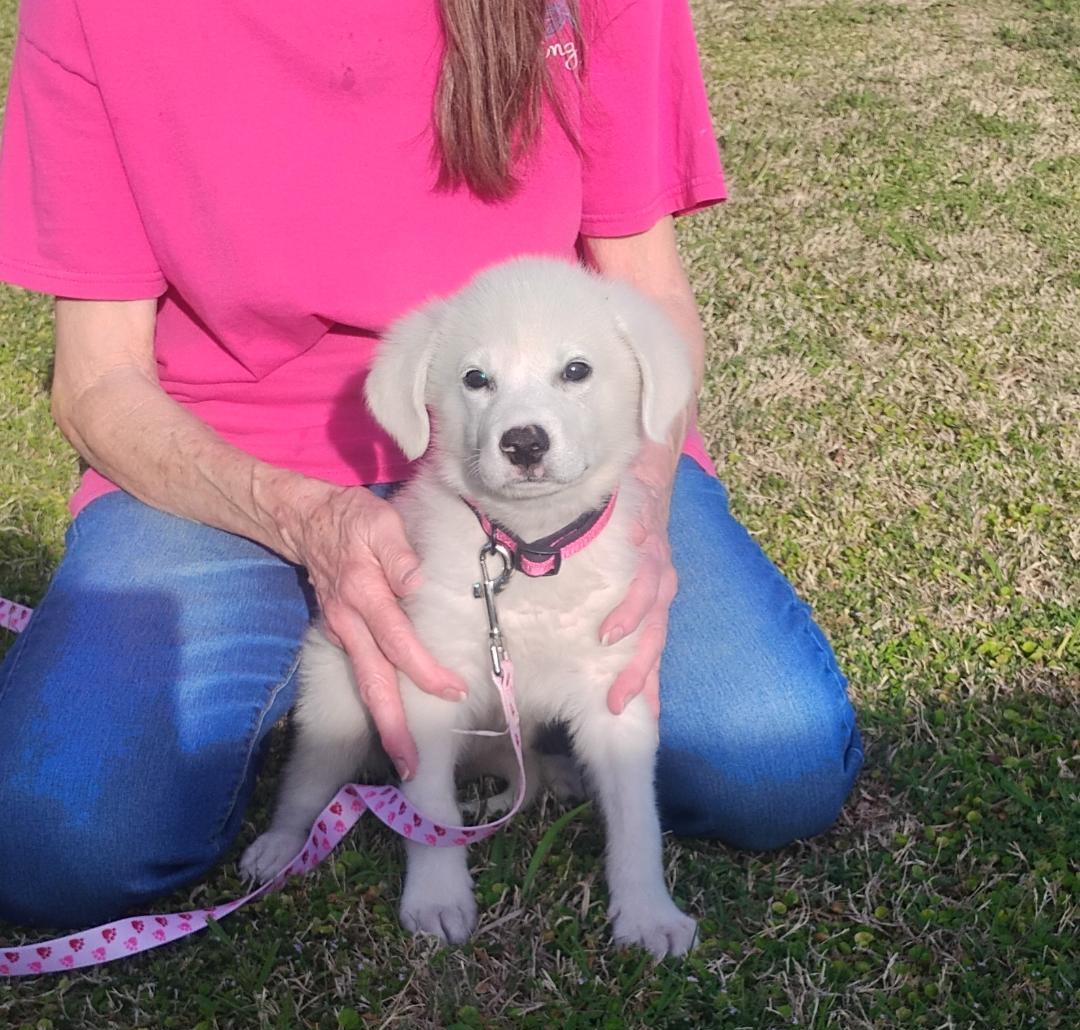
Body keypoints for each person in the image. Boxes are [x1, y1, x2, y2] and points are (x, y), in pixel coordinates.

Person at [0, 0, 863, 929]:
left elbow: (646, 288)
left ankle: (380, 696)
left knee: (776, 762)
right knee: (53, 845)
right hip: (228, 460)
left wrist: (641, 508)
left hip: (551, 468)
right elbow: (97, 380)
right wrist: (307, 522)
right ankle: (329, 686)